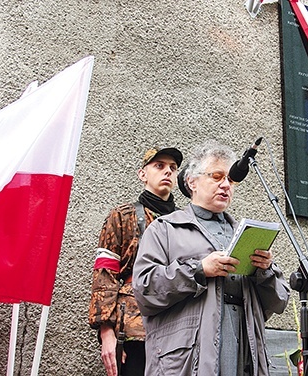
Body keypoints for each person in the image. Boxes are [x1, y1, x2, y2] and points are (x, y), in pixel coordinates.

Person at [132, 140, 290, 376]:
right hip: (188, 359)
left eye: (231, 180)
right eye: (217, 176)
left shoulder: (245, 234)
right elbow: (144, 290)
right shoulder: (165, 229)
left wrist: (265, 271)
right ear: (192, 182)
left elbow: (279, 301)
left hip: (243, 351)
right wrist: (198, 270)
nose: (226, 185)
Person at [88, 146, 184, 376]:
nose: (167, 172)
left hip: (179, 333)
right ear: (143, 174)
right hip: (133, 331)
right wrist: (106, 332)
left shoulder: (185, 221)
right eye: (159, 166)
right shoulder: (122, 216)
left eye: (172, 168)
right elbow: (105, 274)